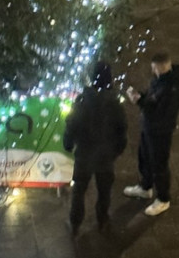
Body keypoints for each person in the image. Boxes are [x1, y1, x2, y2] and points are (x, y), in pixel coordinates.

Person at [63, 61, 128, 234]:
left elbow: (72, 124)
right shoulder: (115, 103)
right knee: (104, 191)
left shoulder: (82, 101)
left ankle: (75, 222)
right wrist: (117, 150)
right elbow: (122, 129)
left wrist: (68, 144)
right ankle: (102, 219)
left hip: (84, 155)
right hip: (105, 157)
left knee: (79, 190)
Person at [123, 50, 179, 217]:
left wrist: (140, 101)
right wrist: (141, 96)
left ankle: (163, 199)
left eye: (155, 68)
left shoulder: (171, 89)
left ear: (162, 67)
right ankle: (145, 187)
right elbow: (152, 98)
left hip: (160, 132)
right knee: (144, 156)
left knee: (159, 164)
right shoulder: (161, 80)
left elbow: (159, 112)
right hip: (149, 128)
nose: (153, 72)